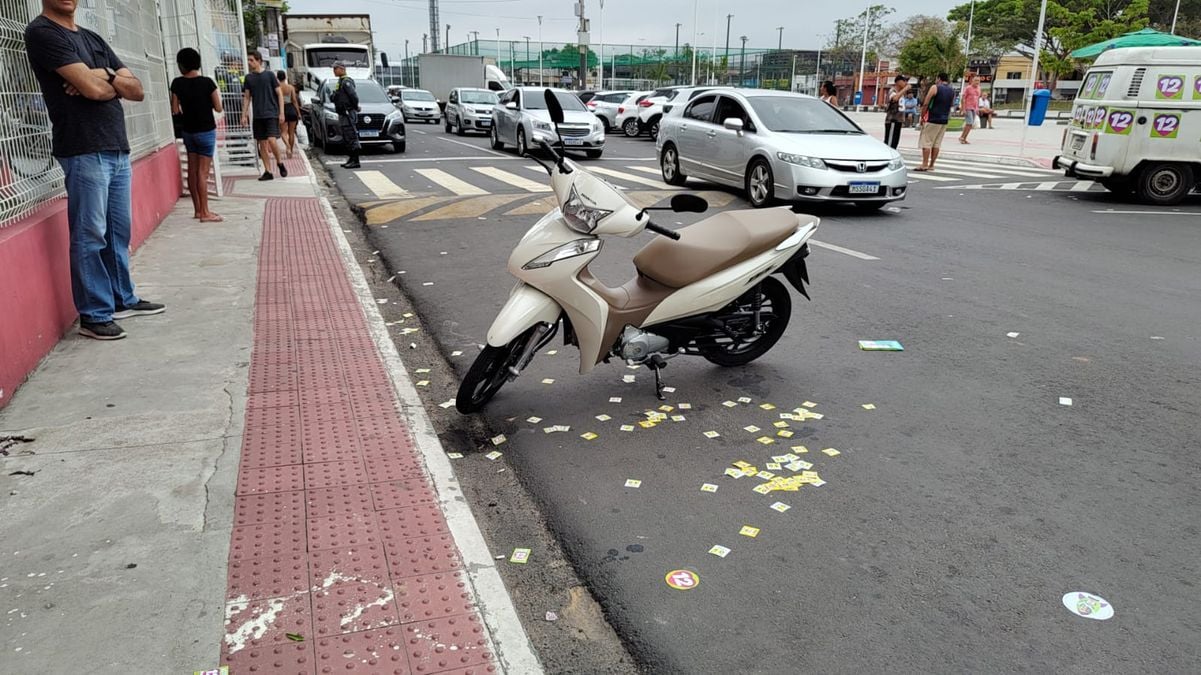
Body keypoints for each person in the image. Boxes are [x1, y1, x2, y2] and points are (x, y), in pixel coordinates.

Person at [25, 0, 165, 341]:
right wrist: (101, 80)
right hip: (83, 147)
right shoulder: (42, 32)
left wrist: (106, 74)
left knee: (118, 232)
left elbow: (137, 91)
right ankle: (94, 314)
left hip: (116, 146)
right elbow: (92, 89)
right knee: (90, 234)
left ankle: (121, 299)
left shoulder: (92, 38)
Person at [171, 48, 223, 223]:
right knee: (203, 173)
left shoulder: (177, 83)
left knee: (192, 171)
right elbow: (218, 107)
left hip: (188, 131)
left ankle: (197, 210)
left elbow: (175, 109)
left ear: (181, 65)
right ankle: (206, 212)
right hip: (206, 130)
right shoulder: (208, 83)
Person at [241, 50, 286, 181]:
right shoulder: (248, 78)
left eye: (251, 60)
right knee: (262, 144)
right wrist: (244, 115)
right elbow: (247, 97)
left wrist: (281, 112)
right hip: (258, 115)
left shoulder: (270, 75)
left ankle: (279, 162)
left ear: (259, 61)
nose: (249, 63)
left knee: (272, 140)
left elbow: (279, 94)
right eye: (248, 60)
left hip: (271, 113)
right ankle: (267, 170)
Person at [916, 72, 954, 172]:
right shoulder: (951, 90)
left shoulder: (935, 87)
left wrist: (922, 116)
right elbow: (951, 105)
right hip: (944, 120)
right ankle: (932, 164)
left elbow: (926, 103)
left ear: (939, 79)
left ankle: (924, 164)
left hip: (932, 118)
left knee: (927, 142)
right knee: (937, 143)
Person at [330, 61, 361, 169]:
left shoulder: (346, 82)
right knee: (347, 137)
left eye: (335, 69)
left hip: (348, 113)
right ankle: (351, 159)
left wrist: (355, 107)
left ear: (342, 69)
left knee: (351, 136)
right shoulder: (341, 81)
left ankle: (355, 160)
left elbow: (353, 96)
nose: (334, 71)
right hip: (343, 113)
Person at [277, 70, 301, 158]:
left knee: (283, 132)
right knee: (291, 132)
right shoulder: (290, 87)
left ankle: (287, 146)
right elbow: (294, 100)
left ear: (277, 78)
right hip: (291, 109)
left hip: (281, 110)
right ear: (285, 77)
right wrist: (298, 112)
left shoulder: (277, 87)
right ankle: (290, 149)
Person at [883, 74, 909, 149]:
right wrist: (905, 89)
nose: (905, 83)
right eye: (904, 81)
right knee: (889, 142)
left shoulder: (902, 92)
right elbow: (894, 98)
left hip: (898, 120)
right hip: (892, 120)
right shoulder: (893, 90)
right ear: (898, 82)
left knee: (895, 142)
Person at [959, 74, 981, 144]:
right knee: (969, 123)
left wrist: (977, 109)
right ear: (972, 80)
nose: (977, 82)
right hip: (968, 107)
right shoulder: (968, 88)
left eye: (978, 81)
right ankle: (962, 137)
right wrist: (963, 109)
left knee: (970, 124)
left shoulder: (979, 88)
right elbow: (963, 99)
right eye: (976, 80)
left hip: (974, 108)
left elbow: (977, 99)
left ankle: (964, 138)